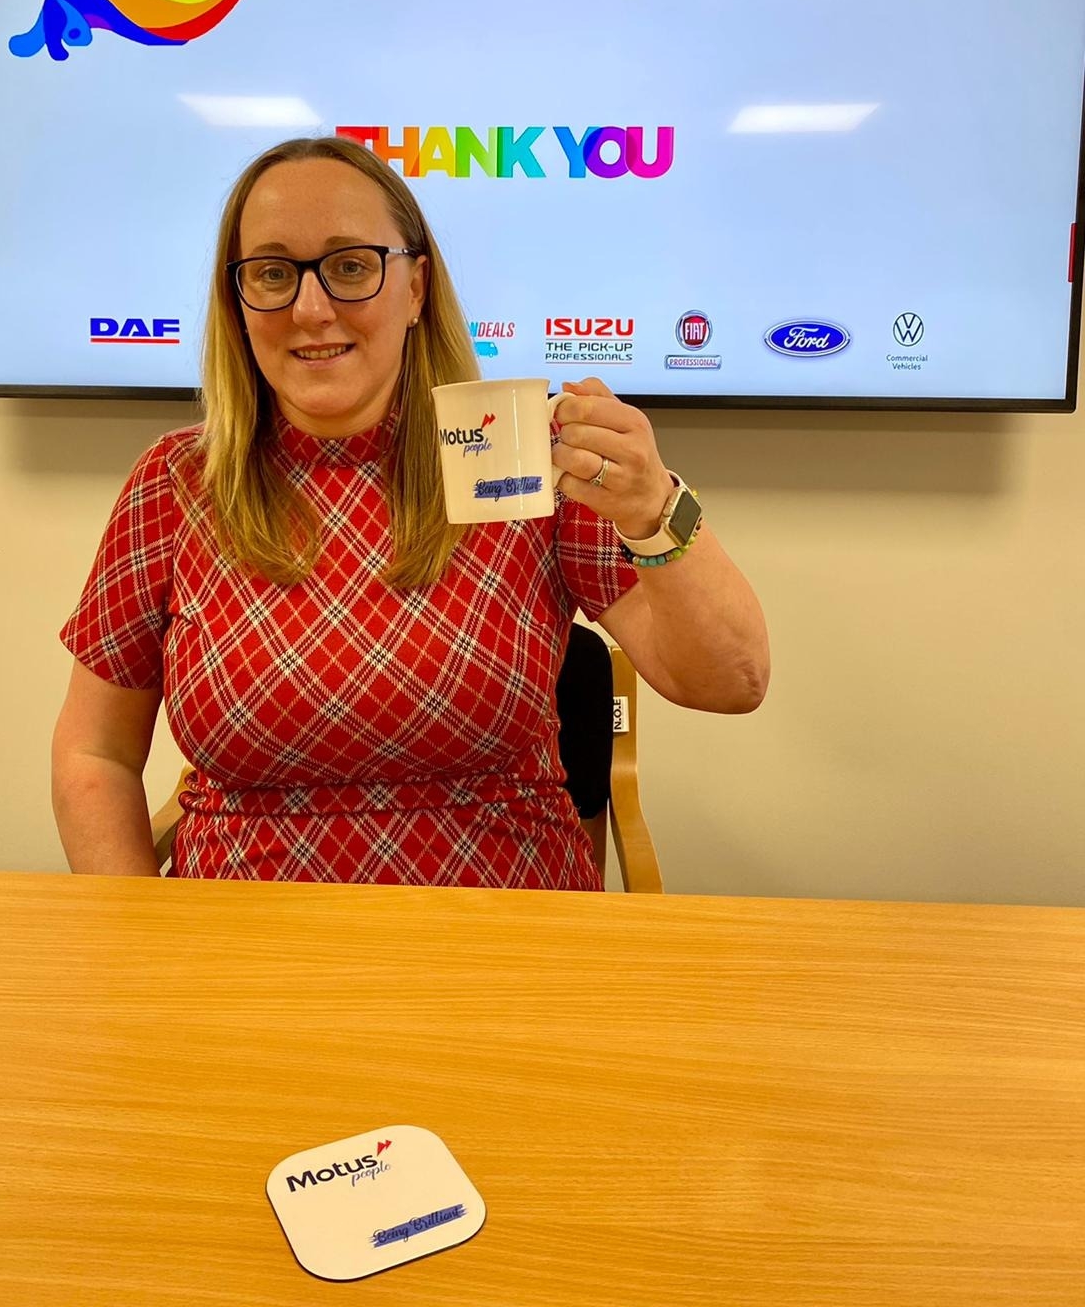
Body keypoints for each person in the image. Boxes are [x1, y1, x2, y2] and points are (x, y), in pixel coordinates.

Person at [52, 136, 768, 886]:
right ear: (237, 300)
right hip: (244, 943)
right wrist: (139, 932)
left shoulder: (519, 453)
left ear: (417, 288)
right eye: (271, 273)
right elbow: (93, 754)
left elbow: (732, 681)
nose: (310, 309)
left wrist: (653, 508)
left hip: (507, 934)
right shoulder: (176, 483)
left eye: (350, 267)